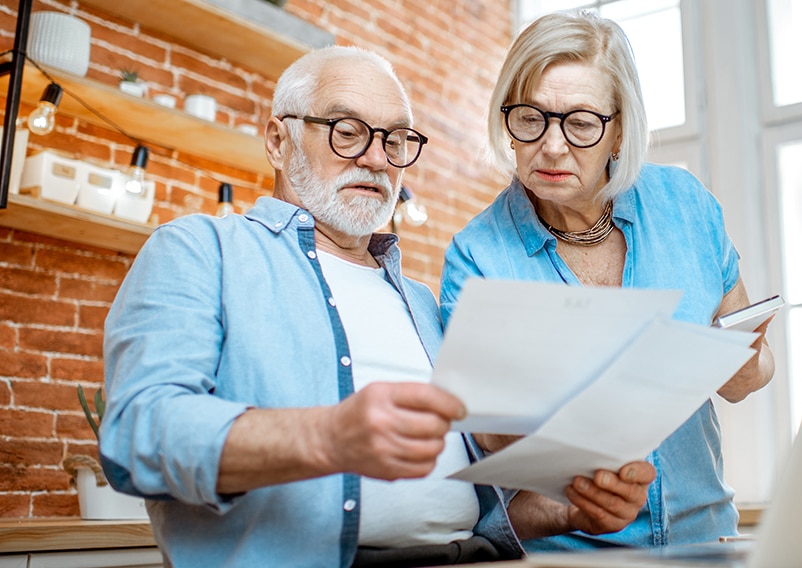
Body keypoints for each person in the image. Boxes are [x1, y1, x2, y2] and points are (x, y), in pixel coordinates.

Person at [100, 45, 655, 567]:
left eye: (394, 140)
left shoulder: (420, 302)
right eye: (347, 132)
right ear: (277, 140)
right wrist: (327, 437)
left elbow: (458, 498)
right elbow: (137, 435)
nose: (375, 158)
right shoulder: (201, 250)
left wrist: (565, 511)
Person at [439, 11, 775, 551]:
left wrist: (743, 360)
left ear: (618, 130)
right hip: (573, 553)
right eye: (530, 118)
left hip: (707, 539)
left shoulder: (685, 204)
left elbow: (752, 369)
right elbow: (485, 444)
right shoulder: (477, 256)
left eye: (580, 123)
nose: (550, 146)